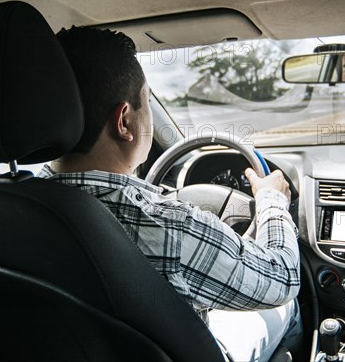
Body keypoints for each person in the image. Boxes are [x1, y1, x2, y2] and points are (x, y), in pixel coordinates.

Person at [39, 26, 302, 361]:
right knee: (286, 308)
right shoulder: (166, 225)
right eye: (147, 101)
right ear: (124, 121)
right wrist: (272, 202)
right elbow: (282, 278)